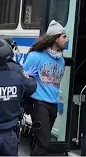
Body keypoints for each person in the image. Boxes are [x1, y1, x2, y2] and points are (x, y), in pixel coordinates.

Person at [22, 20, 67, 156]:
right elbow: (22, 77)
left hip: (53, 103)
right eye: (64, 36)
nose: (67, 40)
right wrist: (27, 75)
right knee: (44, 142)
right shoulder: (36, 56)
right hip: (39, 103)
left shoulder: (61, 60)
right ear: (55, 38)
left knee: (39, 139)